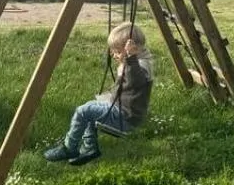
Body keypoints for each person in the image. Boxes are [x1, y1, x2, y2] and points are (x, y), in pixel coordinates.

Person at [43, 22, 152, 166]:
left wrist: (130, 59)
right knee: (90, 106)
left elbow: (135, 81)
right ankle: (89, 147)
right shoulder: (137, 62)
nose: (113, 55)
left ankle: (70, 147)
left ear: (133, 49)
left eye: (117, 51)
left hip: (124, 117)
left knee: (83, 111)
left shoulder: (140, 65)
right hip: (122, 110)